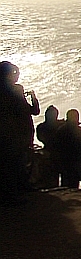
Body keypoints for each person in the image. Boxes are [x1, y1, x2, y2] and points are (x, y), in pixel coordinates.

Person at [0, 61, 39, 203]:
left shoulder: (9, 91)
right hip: (16, 135)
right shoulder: (14, 90)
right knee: (15, 164)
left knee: (14, 163)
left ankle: (17, 190)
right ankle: (15, 193)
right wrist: (32, 98)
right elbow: (32, 111)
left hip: (13, 135)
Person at [56, 109, 81, 190]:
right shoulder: (78, 130)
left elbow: (59, 149)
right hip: (78, 162)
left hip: (71, 162)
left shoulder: (62, 130)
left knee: (72, 186)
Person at [34, 105, 64, 188]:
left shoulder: (42, 126)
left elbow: (40, 138)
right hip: (53, 152)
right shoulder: (60, 125)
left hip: (56, 152)